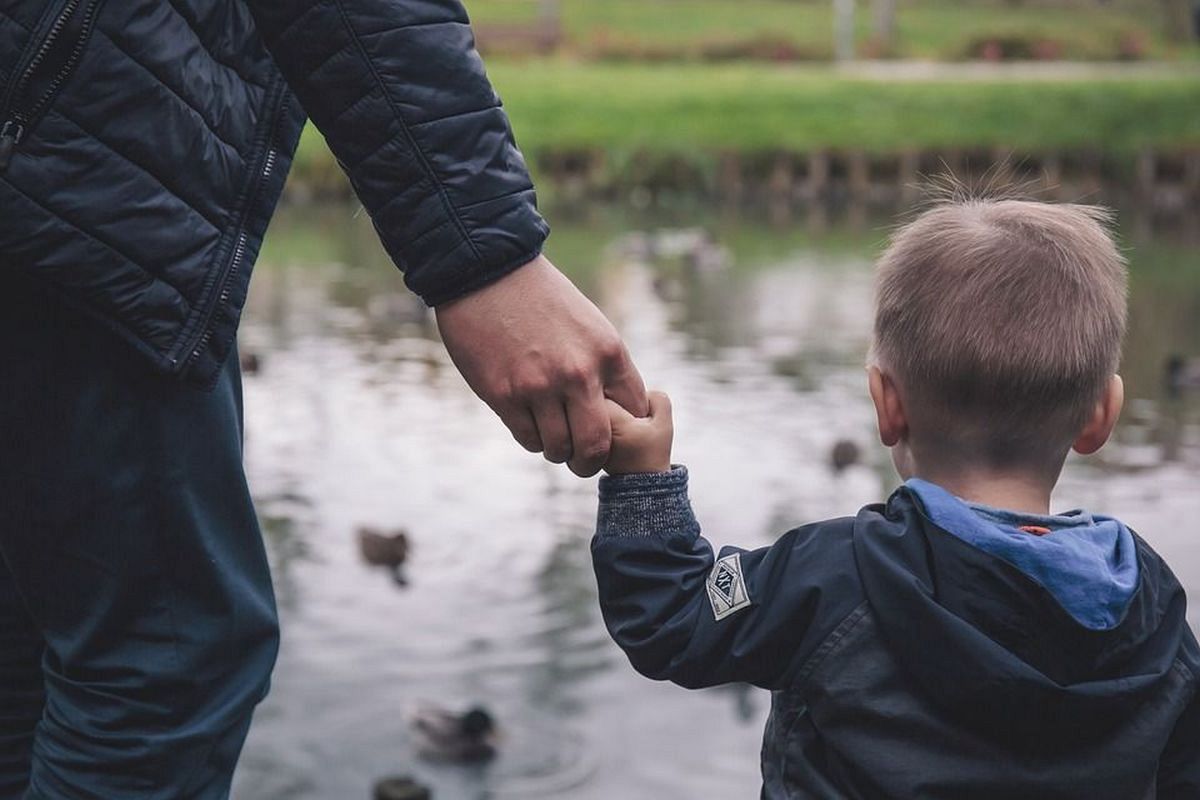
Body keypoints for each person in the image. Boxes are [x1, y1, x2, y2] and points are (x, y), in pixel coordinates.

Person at [0, 1, 644, 798]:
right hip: (75, 165)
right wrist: (485, 255)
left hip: (54, 147)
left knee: (29, 637)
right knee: (162, 660)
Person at [590, 195, 1200, 798]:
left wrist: (642, 479)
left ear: (887, 405)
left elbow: (674, 619)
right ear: (1102, 415)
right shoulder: (1151, 609)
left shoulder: (832, 576)